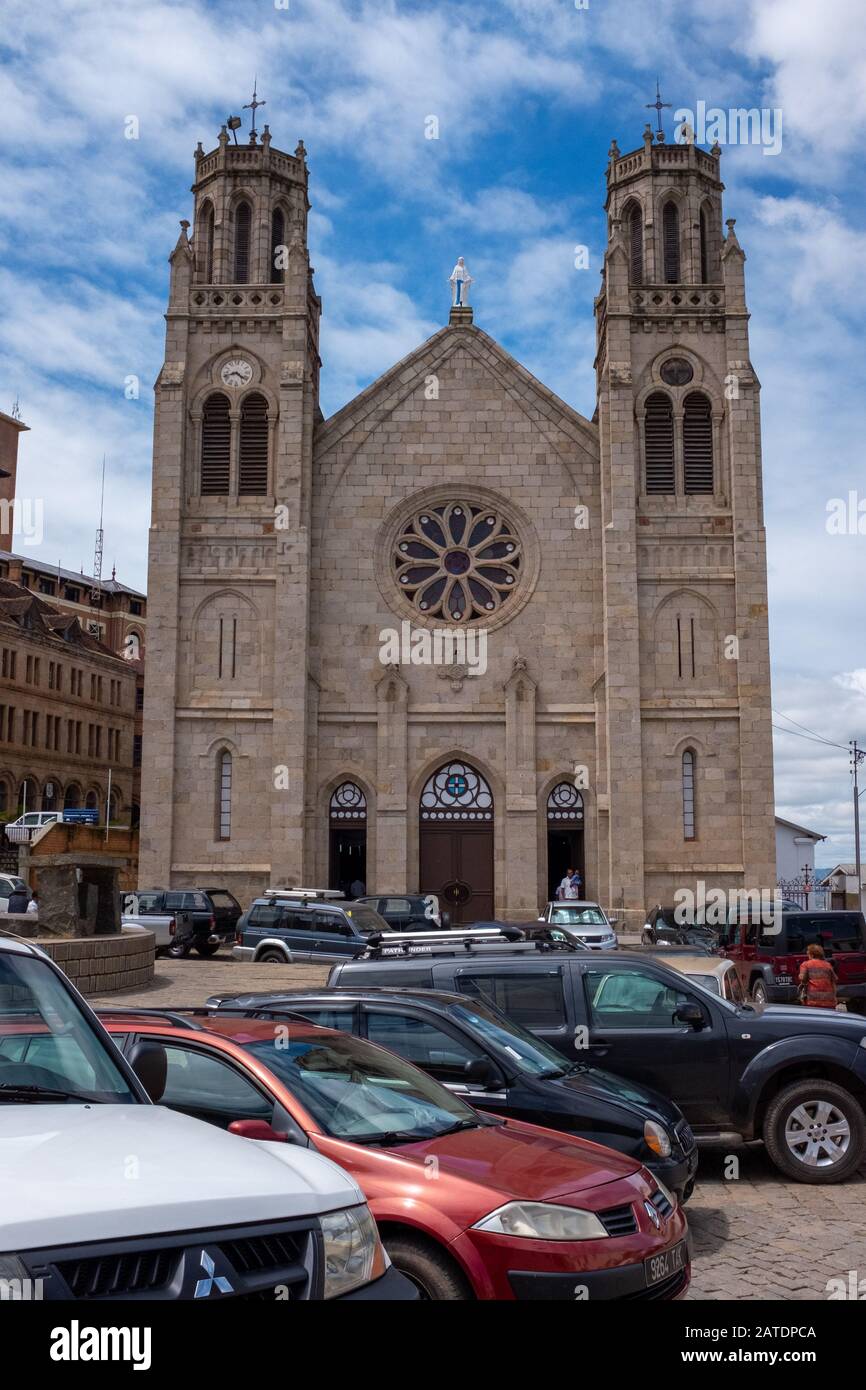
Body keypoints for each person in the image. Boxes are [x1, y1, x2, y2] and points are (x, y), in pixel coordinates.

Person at [798, 943, 838, 1010]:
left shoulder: (806, 964)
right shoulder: (828, 965)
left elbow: (802, 978)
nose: (807, 955)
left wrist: (800, 976)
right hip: (829, 1002)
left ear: (812, 954)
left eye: (808, 953)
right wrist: (834, 997)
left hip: (812, 1002)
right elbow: (833, 982)